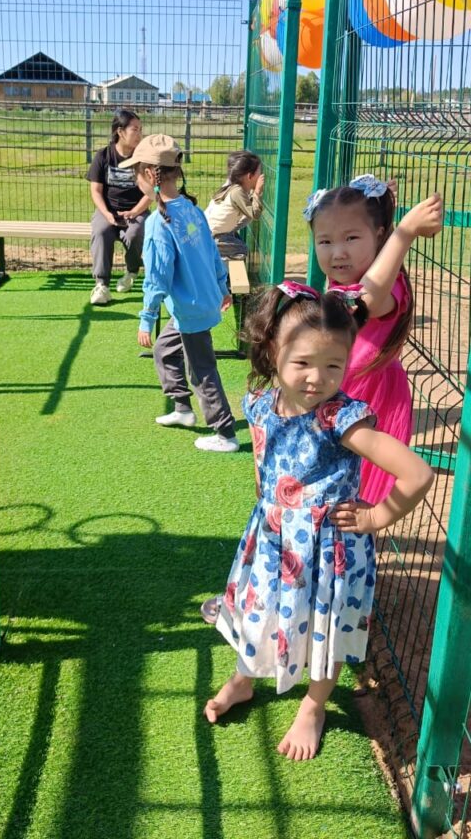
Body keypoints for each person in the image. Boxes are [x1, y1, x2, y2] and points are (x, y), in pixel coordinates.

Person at [203, 282, 433, 759]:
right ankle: (245, 678)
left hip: (329, 551)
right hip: (273, 541)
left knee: (325, 629)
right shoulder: (261, 402)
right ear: (272, 350)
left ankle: (313, 705)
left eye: (333, 365)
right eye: (303, 362)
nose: (317, 378)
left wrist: (377, 516)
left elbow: (417, 473)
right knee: (259, 612)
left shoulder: (339, 419)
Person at [304, 174, 443, 504]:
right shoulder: (347, 277)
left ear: (379, 235)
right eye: (325, 242)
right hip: (342, 394)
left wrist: (404, 233)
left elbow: (364, 298)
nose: (338, 252)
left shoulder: (383, 289)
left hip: (368, 401)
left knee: (351, 498)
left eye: (351, 238)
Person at [119, 133, 239, 453]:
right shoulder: (191, 209)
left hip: (191, 309)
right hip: (197, 303)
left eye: (136, 173)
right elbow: (212, 253)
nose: (135, 179)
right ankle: (182, 409)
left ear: (149, 175)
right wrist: (222, 286)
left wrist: (146, 317)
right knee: (164, 350)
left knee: (202, 370)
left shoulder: (159, 222)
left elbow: (157, 277)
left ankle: (225, 432)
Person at [87, 109, 150, 305]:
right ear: (120, 132)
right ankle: (101, 285)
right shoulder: (103, 156)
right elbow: (96, 190)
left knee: (135, 233)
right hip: (107, 209)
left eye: (140, 129)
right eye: (135, 129)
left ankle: (131, 272)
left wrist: (135, 211)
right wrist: (106, 213)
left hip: (136, 210)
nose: (139, 134)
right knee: (101, 232)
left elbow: (151, 193)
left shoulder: (143, 158)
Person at [204, 150, 264, 259]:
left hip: (207, 230)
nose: (262, 177)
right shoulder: (237, 192)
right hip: (212, 236)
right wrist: (257, 192)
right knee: (242, 250)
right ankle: (213, 253)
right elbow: (255, 214)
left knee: (237, 239)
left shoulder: (231, 186)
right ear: (250, 176)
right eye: (260, 173)